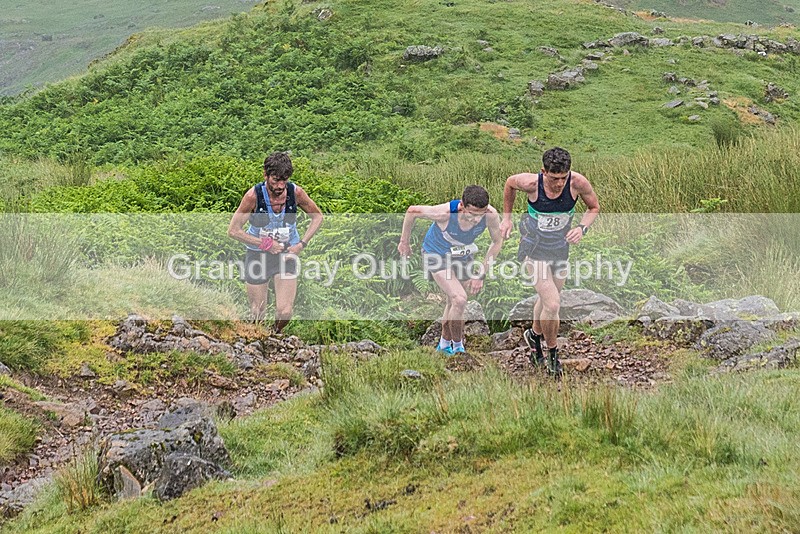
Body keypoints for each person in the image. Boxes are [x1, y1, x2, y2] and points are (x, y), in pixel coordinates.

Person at [500, 147, 600, 376]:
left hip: (559, 248)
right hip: (533, 248)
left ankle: (534, 336)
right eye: (554, 179)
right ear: (543, 172)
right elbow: (509, 184)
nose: (559, 184)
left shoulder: (578, 183)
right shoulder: (531, 183)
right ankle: (552, 354)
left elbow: (594, 207)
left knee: (547, 299)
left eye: (563, 178)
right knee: (553, 304)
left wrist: (582, 228)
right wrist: (506, 219)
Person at [398, 185, 503, 355]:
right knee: (459, 299)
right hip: (436, 254)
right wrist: (404, 242)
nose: (477, 220)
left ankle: (444, 345)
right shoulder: (444, 213)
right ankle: (458, 347)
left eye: (480, 214)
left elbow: (497, 242)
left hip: (461, 255)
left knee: (453, 303)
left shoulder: (490, 215)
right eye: (472, 214)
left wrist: (481, 274)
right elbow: (412, 211)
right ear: (462, 206)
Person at [228, 152, 323, 333]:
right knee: (257, 312)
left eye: (284, 180)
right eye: (275, 180)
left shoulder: (296, 192)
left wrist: (301, 244)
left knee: (285, 311)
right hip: (258, 255)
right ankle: (257, 340)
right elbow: (233, 231)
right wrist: (266, 244)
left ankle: (274, 334)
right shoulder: (252, 197)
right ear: (265, 175)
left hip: (286, 254)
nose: (280, 186)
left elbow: (317, 217)